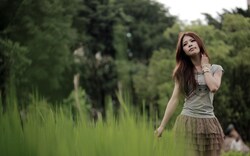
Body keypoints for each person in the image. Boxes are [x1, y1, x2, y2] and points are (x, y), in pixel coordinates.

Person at [155, 32, 224, 156]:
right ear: (184, 52)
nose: (190, 45)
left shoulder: (216, 69)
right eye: (185, 44)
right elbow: (174, 99)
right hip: (188, 122)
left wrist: (205, 67)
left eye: (192, 41)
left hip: (210, 124)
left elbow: (213, 87)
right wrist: (162, 126)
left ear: (199, 43)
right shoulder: (182, 72)